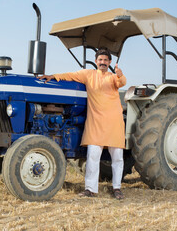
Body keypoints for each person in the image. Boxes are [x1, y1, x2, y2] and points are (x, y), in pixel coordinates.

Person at [38, 49, 126, 200]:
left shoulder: (113, 78)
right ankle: (90, 189)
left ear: (110, 62)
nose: (103, 62)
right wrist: (53, 76)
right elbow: (70, 75)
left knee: (117, 157)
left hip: (113, 121)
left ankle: (117, 188)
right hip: (96, 121)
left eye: (106, 60)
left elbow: (122, 82)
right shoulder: (88, 74)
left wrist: (119, 73)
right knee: (92, 156)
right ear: (96, 61)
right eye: (100, 60)